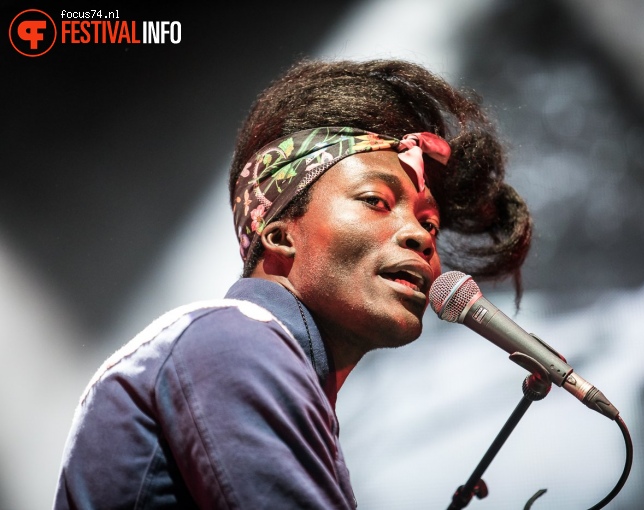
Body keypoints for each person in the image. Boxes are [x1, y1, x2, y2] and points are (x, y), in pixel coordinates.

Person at [53, 59, 532, 509]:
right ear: (279, 234)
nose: (419, 236)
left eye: (430, 225)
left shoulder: (265, 364)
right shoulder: (235, 343)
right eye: (376, 201)